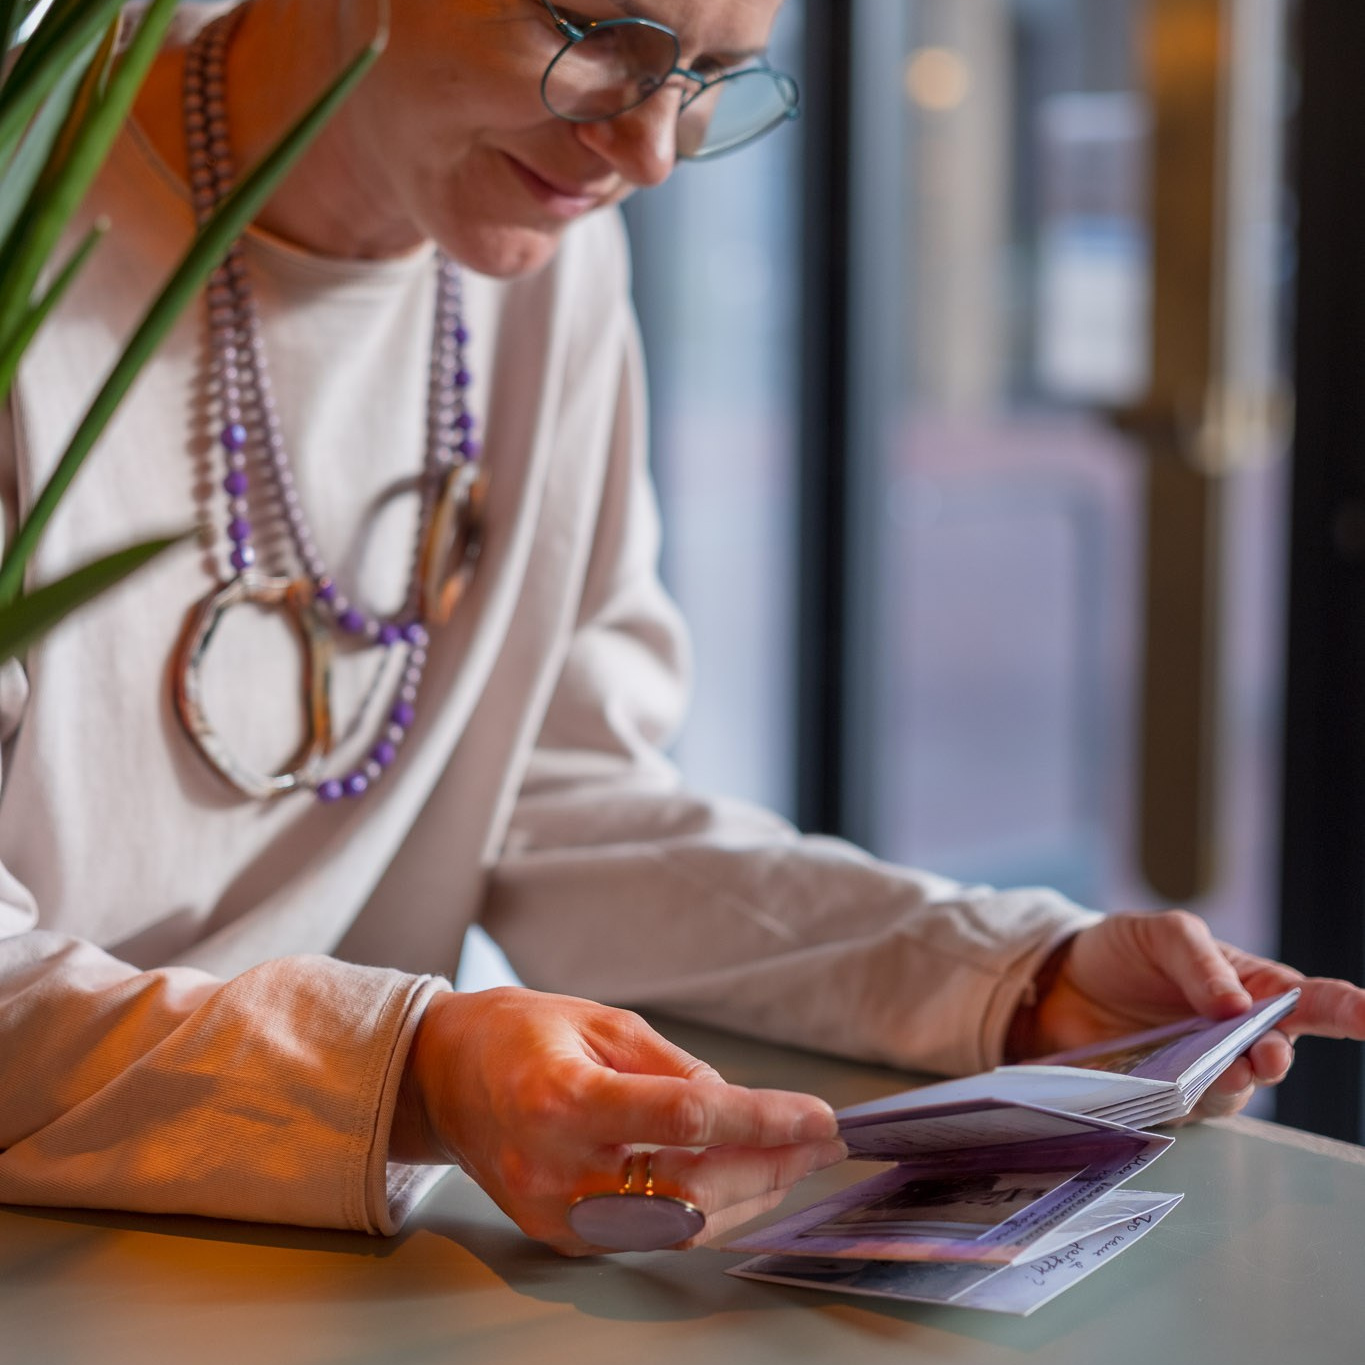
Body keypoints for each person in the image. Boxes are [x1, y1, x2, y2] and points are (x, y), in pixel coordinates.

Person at [0, 0, 1361, 1257]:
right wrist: (415, 1069)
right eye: (594, 31)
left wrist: (1006, 977)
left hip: (294, 1252)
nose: (648, 151)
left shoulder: (543, 262)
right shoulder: (29, 218)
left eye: (708, 75)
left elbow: (559, 806)